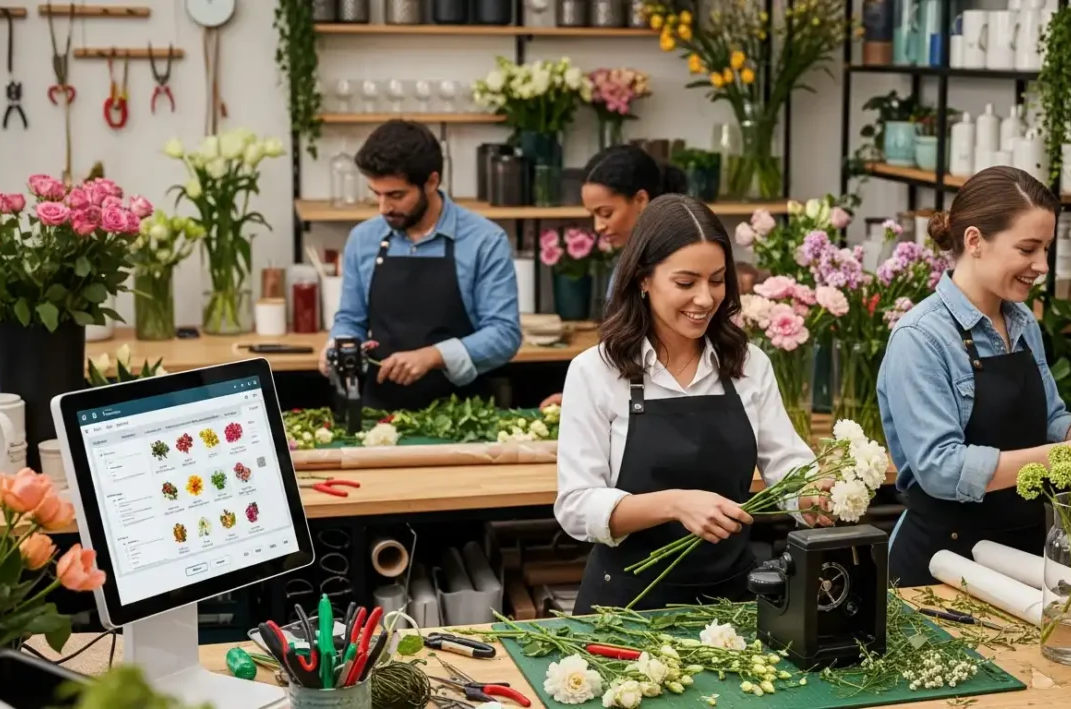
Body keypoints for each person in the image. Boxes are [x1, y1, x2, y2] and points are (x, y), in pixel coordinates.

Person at [554, 195, 823, 613]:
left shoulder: (748, 364)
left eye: (716, 280)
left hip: (731, 603)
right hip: (625, 609)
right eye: (686, 283)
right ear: (643, 279)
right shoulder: (597, 371)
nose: (704, 298)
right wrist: (675, 503)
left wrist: (817, 498)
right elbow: (575, 506)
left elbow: (787, 467)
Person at [877, 166, 1071, 588]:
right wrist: (1066, 457)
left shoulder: (1023, 322)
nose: (1042, 265)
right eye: (1028, 249)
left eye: (1045, 249)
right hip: (939, 566)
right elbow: (941, 469)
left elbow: (1048, 423)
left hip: (1023, 558)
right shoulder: (920, 338)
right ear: (974, 241)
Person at [322, 120, 522, 410]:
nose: (383, 208)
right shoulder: (363, 239)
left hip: (463, 415)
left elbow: (504, 334)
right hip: (378, 415)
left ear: (431, 182)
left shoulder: (484, 240)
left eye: (396, 195)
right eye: (376, 194)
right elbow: (351, 320)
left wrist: (432, 356)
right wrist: (337, 345)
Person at [538, 145, 688, 409]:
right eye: (592, 215)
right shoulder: (626, 263)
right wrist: (586, 395)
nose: (598, 226)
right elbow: (621, 351)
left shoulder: (677, 263)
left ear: (641, 200)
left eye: (606, 213)